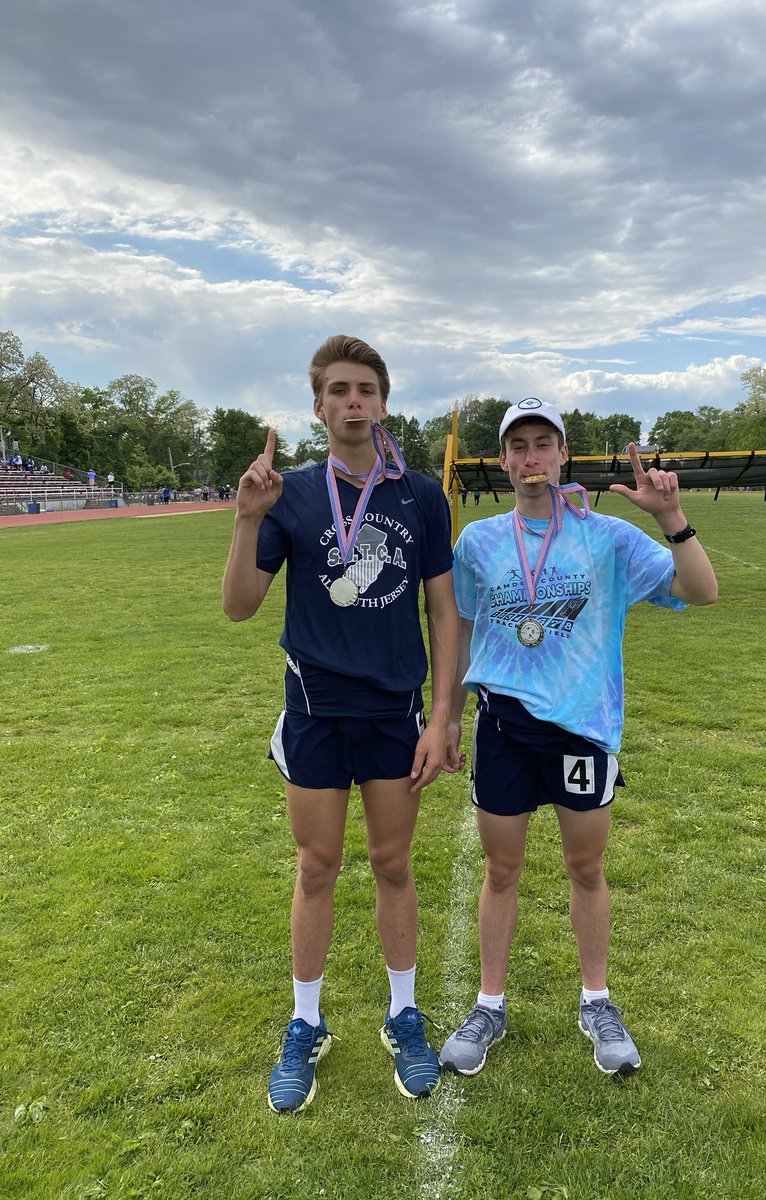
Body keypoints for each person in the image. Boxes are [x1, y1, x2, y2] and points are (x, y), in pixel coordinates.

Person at [439, 397, 717, 1078]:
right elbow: (462, 628)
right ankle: (489, 1005)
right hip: (503, 727)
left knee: (586, 868)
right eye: (518, 446)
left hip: (582, 729)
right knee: (501, 871)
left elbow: (702, 590)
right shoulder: (478, 542)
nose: (531, 458)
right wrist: (447, 715)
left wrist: (671, 518)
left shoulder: (608, 538)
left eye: (544, 444)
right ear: (502, 460)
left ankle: (597, 1001)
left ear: (564, 454)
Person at [222, 334, 459, 1114]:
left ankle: (403, 1014)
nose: (353, 402)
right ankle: (306, 1024)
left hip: (394, 713)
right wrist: (247, 520)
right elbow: (240, 607)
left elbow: (443, 612)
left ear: (383, 403)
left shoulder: (420, 496)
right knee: (317, 866)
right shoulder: (289, 493)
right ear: (318, 407)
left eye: (366, 390)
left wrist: (444, 714)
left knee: (392, 863)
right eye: (338, 391)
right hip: (316, 712)